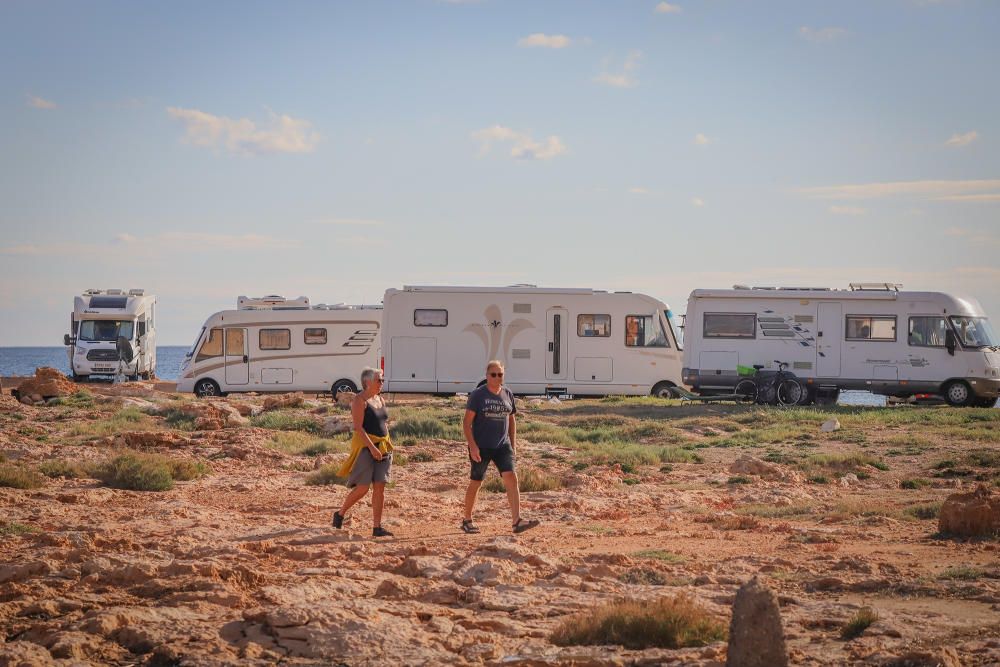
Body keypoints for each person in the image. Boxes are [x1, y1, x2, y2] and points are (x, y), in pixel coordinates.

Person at [461, 360, 539, 534]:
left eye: (500, 374)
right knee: (476, 482)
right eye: (493, 374)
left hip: (502, 445)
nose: (497, 378)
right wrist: (472, 446)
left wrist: (513, 444)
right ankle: (467, 519)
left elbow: (511, 419)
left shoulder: (508, 394)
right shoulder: (478, 395)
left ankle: (517, 521)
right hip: (481, 446)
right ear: (487, 375)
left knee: (511, 477)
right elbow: (466, 424)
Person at [332, 367, 394, 537]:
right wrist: (372, 448)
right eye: (379, 380)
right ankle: (340, 513)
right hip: (366, 448)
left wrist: (387, 443)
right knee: (363, 488)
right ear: (367, 382)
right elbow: (358, 428)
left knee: (380, 487)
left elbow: (384, 423)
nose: (382, 382)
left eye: (382, 379)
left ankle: (377, 527)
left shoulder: (380, 399)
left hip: (383, 448)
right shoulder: (359, 401)